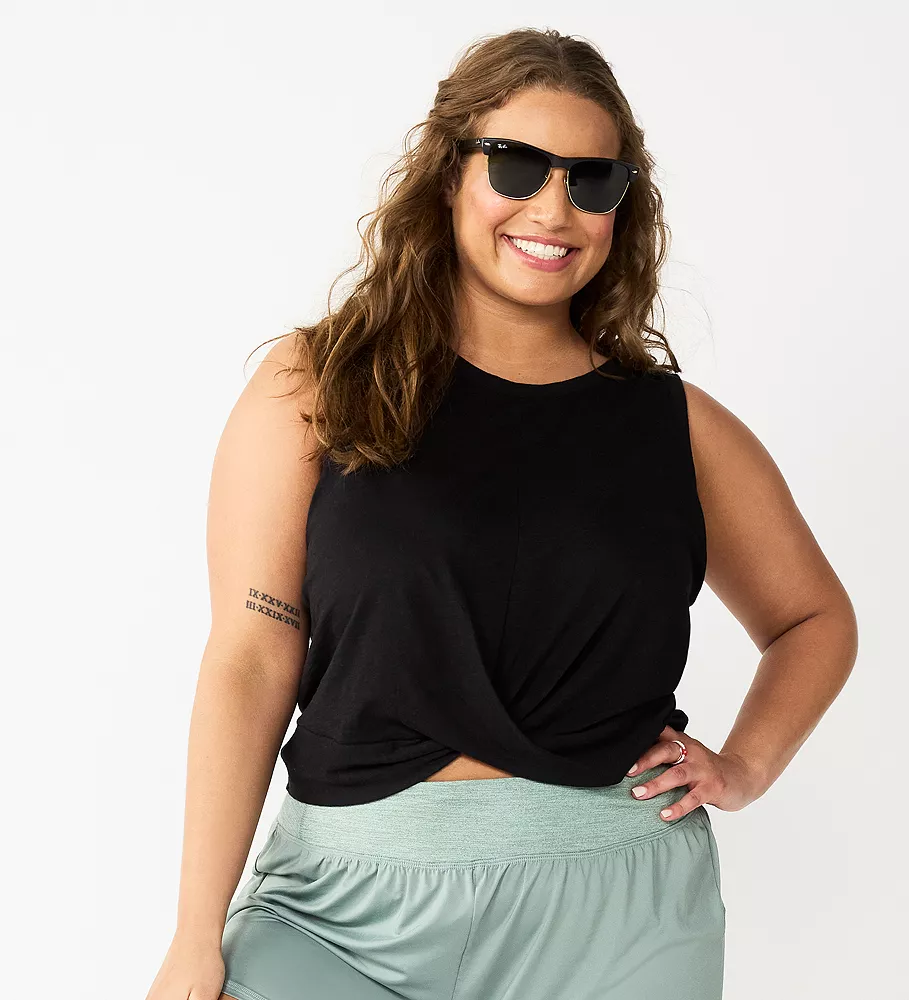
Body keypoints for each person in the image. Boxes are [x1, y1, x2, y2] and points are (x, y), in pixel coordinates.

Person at [146, 27, 858, 1000]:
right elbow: (250, 656)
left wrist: (745, 765)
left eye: (592, 181)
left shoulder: (677, 428)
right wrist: (195, 934)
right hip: (340, 916)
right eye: (517, 165)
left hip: (619, 914)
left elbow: (813, 618)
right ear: (449, 173)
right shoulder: (317, 385)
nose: (554, 209)